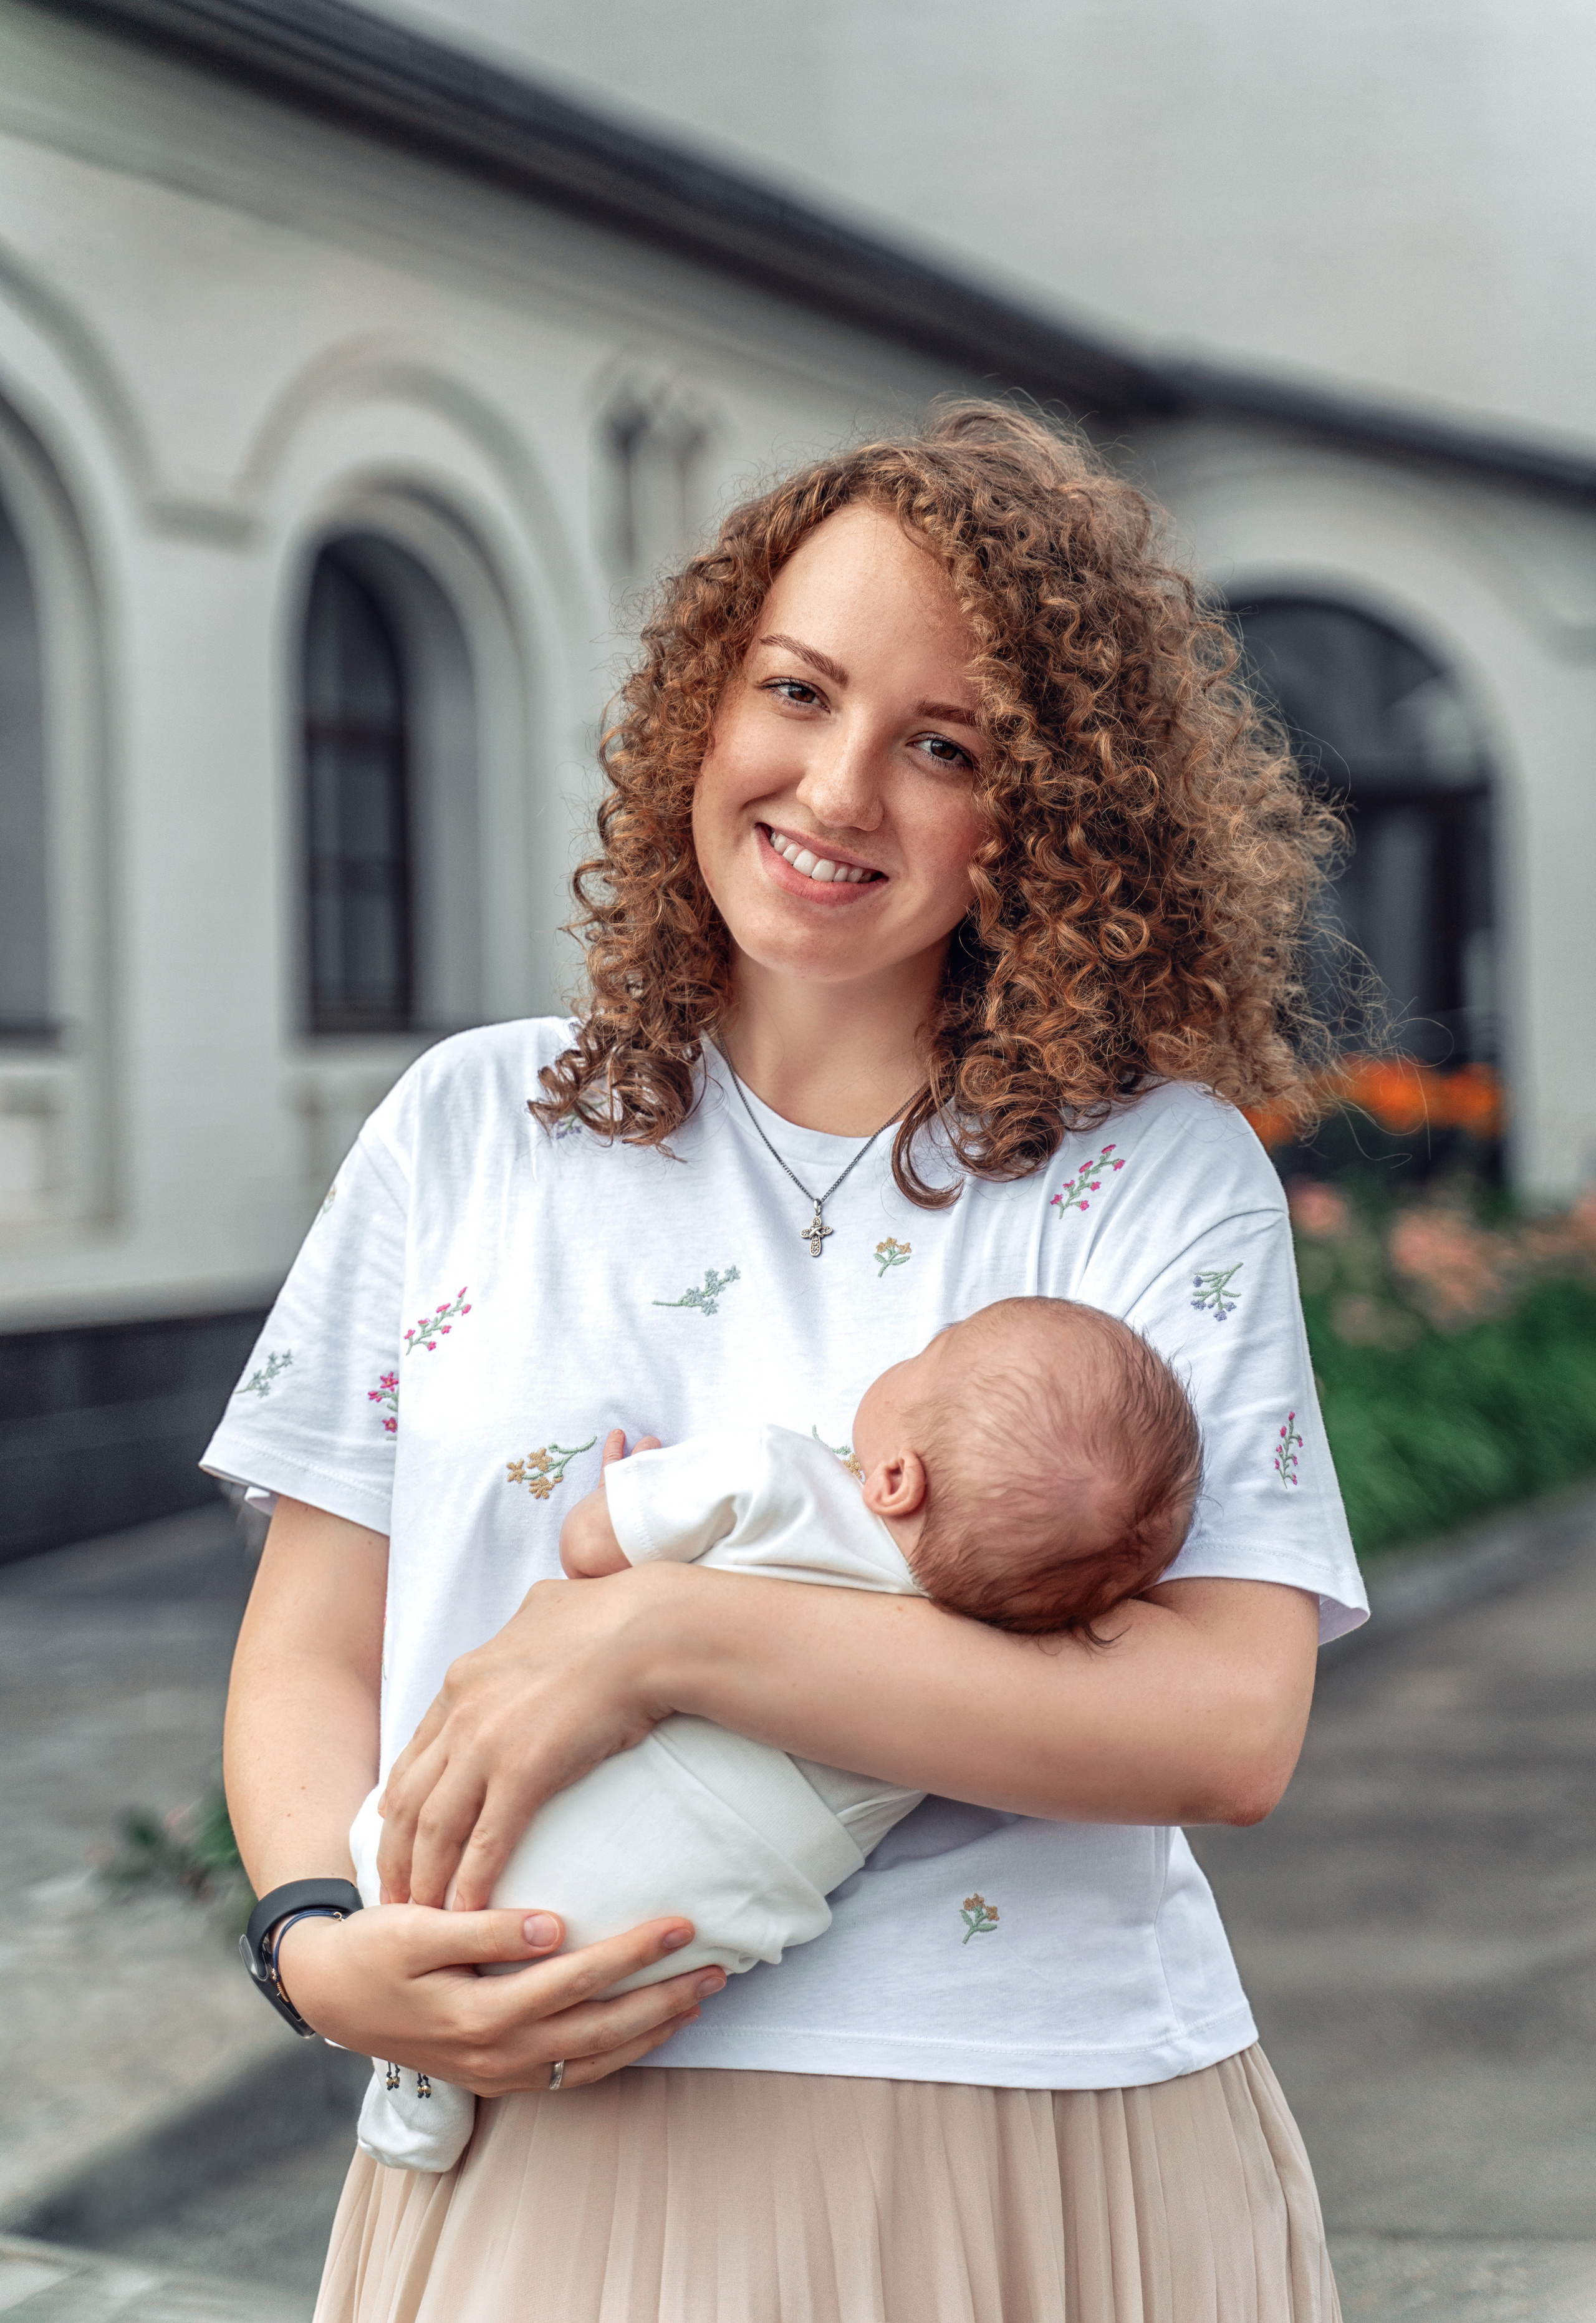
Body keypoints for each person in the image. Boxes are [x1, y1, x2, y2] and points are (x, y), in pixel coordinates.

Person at [209, 403, 1367, 2323]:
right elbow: (316, 1632)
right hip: (535, 2138)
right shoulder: (467, 1124)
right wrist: (313, 1935)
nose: (838, 789)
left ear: (1049, 818)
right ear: (703, 703)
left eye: (944, 746)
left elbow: (1222, 1724)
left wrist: (664, 1634)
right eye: (797, 691)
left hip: (1042, 2139)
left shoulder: (1152, 1168)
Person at [351, 1296, 1204, 2173]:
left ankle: (414, 2071)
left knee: (395, 1843)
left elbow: (588, 1546)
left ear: (896, 1478)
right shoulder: (981, 1675)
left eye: (931, 1352)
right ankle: (423, 2078)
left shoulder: (781, 1480)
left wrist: (641, 1492)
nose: (912, 1350)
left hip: (473, 1857)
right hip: (648, 1953)